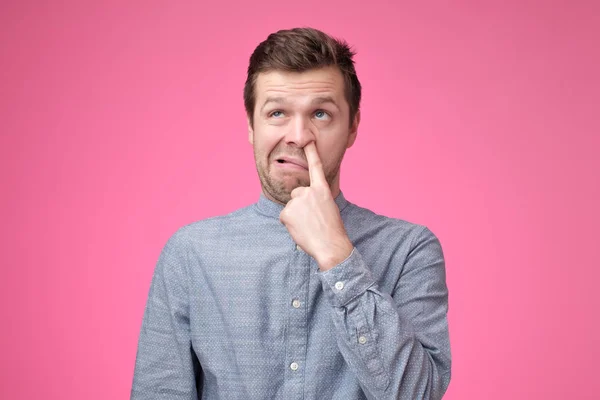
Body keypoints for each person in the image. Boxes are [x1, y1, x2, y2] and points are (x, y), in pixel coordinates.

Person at [131, 27, 451, 400]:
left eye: (320, 113)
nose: (298, 136)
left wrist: (337, 256)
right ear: (252, 125)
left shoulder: (410, 249)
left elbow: (417, 395)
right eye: (277, 112)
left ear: (352, 127)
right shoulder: (189, 254)